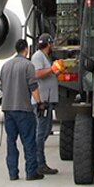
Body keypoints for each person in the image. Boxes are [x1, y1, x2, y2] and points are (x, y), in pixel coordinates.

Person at [0, 39, 42, 180]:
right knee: (29, 141)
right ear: (26, 49)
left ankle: (13, 173)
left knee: (11, 142)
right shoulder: (28, 65)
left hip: (8, 110)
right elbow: (33, 86)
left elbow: (2, 87)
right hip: (23, 109)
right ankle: (31, 172)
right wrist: (40, 103)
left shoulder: (5, 66)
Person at [31, 35, 61, 175]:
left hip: (47, 100)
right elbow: (36, 74)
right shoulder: (38, 57)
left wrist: (57, 71)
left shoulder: (44, 56)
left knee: (46, 129)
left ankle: (37, 159)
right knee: (41, 132)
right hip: (42, 101)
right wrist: (52, 69)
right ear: (49, 44)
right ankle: (39, 163)